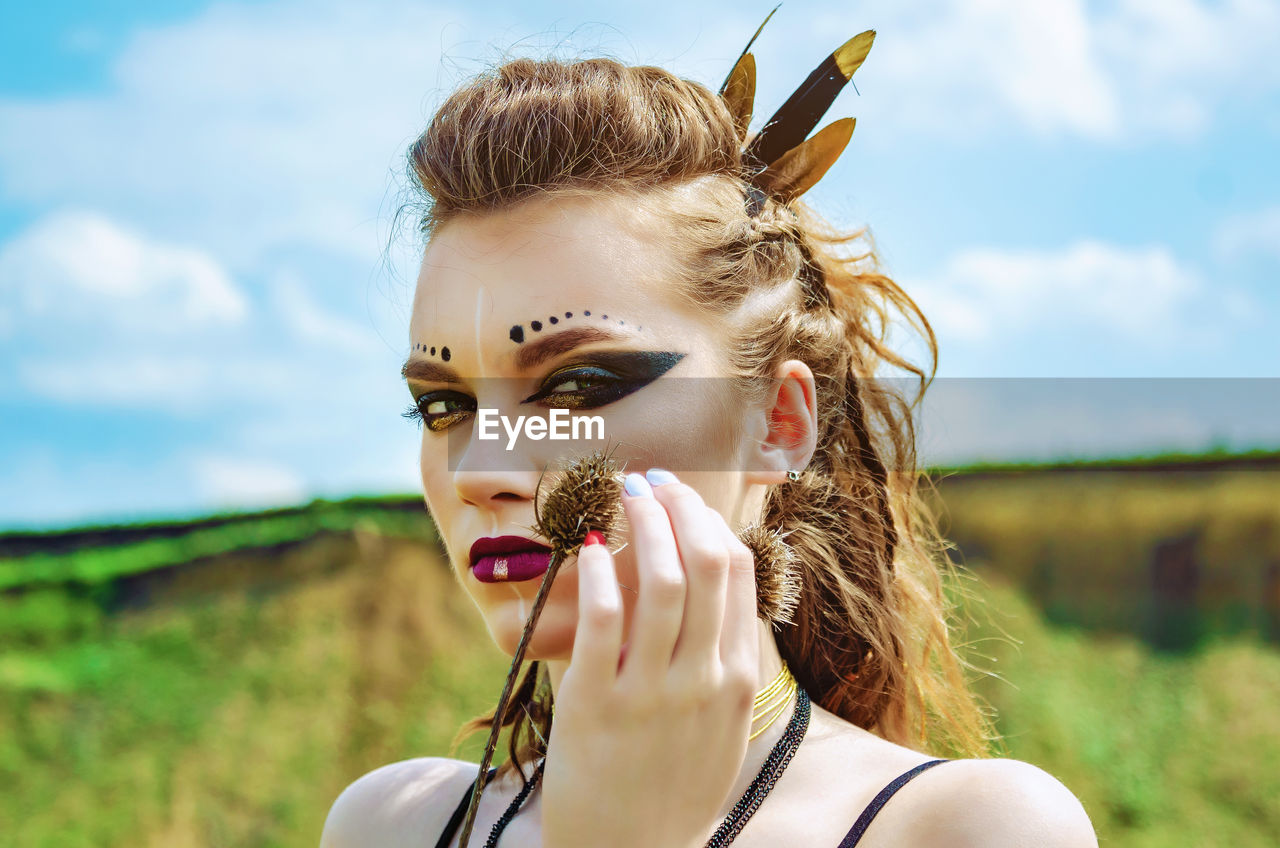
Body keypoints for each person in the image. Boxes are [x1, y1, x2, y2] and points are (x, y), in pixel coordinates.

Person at [321, 27, 1099, 848]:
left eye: (579, 385)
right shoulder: (392, 825)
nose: (482, 469)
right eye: (445, 407)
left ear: (779, 422)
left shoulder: (966, 829)